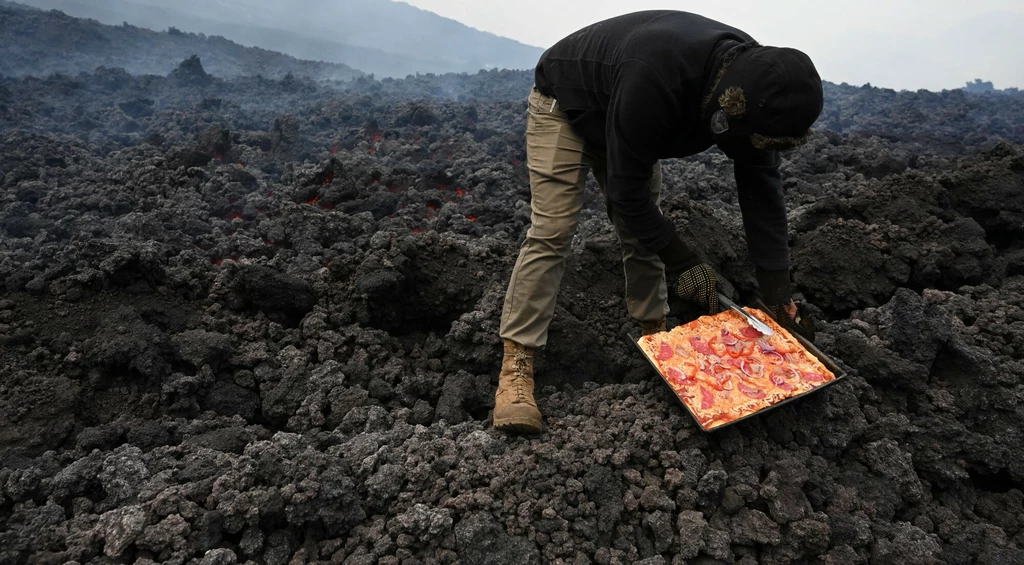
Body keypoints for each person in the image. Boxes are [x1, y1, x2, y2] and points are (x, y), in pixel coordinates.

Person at [492, 11, 823, 433]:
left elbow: (763, 193)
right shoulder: (658, 77)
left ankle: (655, 337)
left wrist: (777, 298)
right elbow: (626, 195)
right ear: (726, 106)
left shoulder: (762, 89)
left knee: (640, 235)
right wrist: (685, 263)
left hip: (629, 115)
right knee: (553, 230)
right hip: (569, 107)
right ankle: (517, 365)